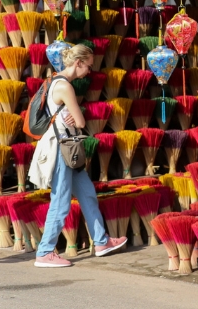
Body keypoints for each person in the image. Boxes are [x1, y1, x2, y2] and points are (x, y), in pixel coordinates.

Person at [29, 44, 127, 268]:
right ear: (78, 63)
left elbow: (71, 117)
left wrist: (73, 116)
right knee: (61, 201)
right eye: (88, 66)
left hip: (68, 149)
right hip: (63, 149)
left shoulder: (55, 81)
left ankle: (101, 241)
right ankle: (44, 252)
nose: (89, 72)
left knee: (87, 193)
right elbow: (81, 123)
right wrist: (77, 116)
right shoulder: (65, 86)